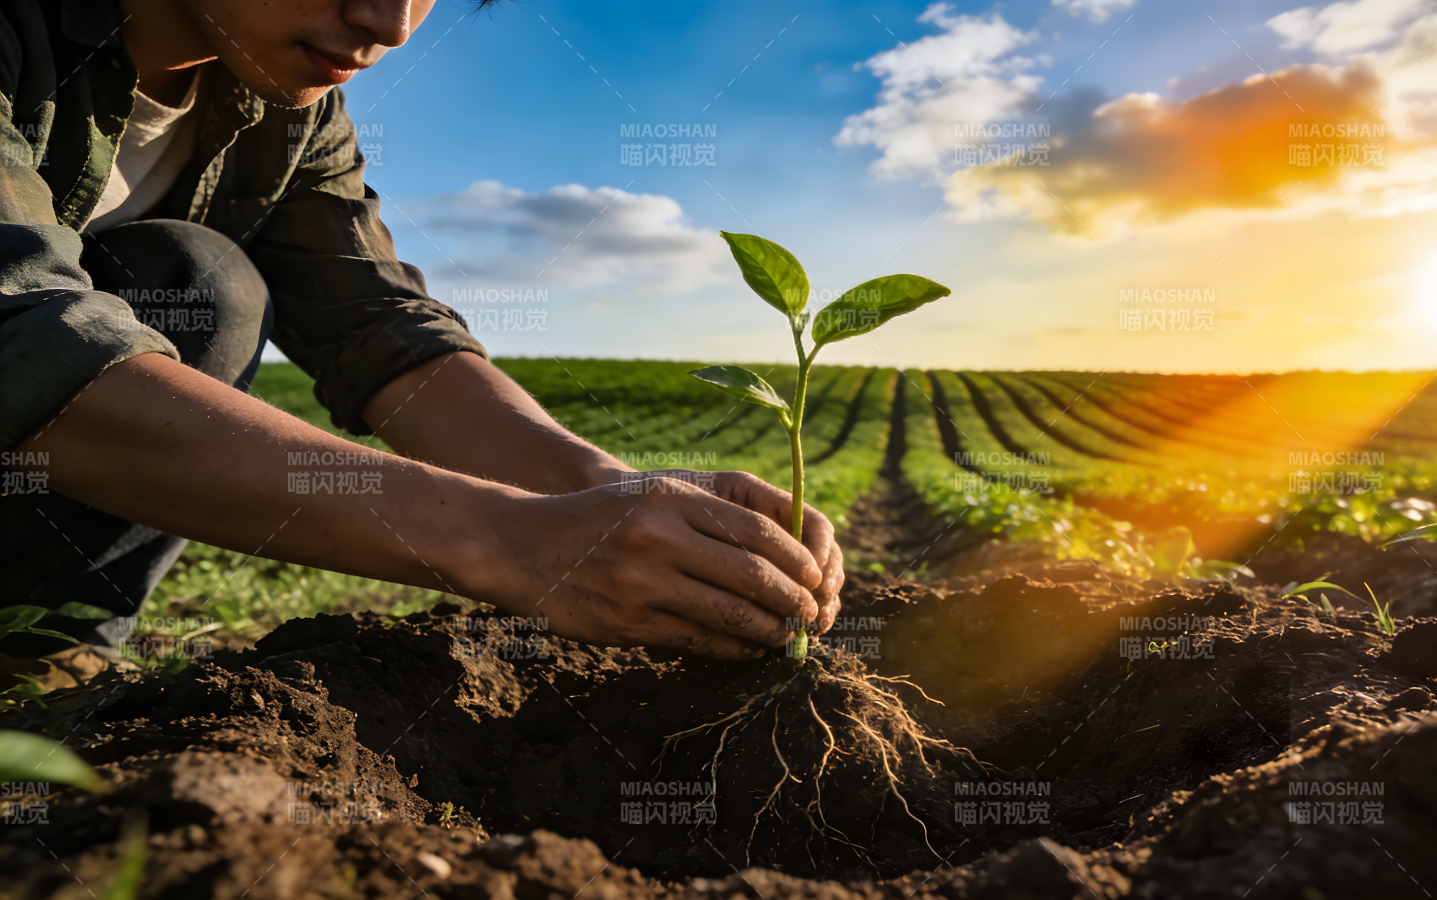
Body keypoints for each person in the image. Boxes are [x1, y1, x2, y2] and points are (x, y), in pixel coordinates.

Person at [0, 0, 843, 667]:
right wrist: (508, 541)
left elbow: (377, 324)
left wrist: (603, 490)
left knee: (193, 285)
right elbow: (26, 332)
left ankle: (38, 654)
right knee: (200, 284)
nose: (391, 24)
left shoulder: (285, 105)